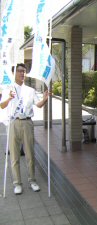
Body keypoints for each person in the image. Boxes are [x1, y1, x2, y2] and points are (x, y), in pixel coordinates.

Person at [0, 63, 49, 195]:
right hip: (13, 123)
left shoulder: (30, 90)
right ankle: (17, 183)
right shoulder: (8, 89)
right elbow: (2, 106)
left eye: (24, 71)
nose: (22, 73)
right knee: (14, 155)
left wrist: (44, 100)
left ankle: (32, 180)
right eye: (19, 71)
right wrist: (9, 99)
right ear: (14, 73)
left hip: (27, 123)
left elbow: (38, 105)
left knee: (30, 154)